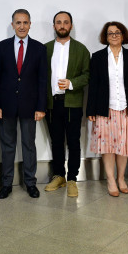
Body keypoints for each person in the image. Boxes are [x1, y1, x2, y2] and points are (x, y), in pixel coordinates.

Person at [0, 9, 47, 199]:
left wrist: (41, 107)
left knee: (29, 144)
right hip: (5, 105)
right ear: (12, 24)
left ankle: (30, 182)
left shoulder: (40, 49)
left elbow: (42, 81)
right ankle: (6, 184)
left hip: (30, 107)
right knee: (7, 145)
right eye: (18, 23)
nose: (22, 26)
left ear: (30, 24)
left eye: (25, 22)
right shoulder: (2, 47)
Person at [86, 22, 128, 197]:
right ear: (105, 37)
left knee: (123, 146)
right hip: (105, 109)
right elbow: (93, 85)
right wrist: (90, 110)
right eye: (110, 33)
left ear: (123, 35)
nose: (114, 35)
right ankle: (111, 180)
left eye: (117, 32)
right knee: (108, 146)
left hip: (127, 108)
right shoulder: (97, 57)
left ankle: (121, 178)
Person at [44, 11, 90, 198]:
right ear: (54, 26)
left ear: (71, 25)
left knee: (73, 141)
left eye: (66, 22)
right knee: (56, 141)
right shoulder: (45, 49)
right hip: (51, 104)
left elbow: (87, 74)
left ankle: (72, 178)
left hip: (72, 103)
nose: (62, 25)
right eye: (58, 22)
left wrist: (71, 83)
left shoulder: (81, 49)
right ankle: (59, 176)